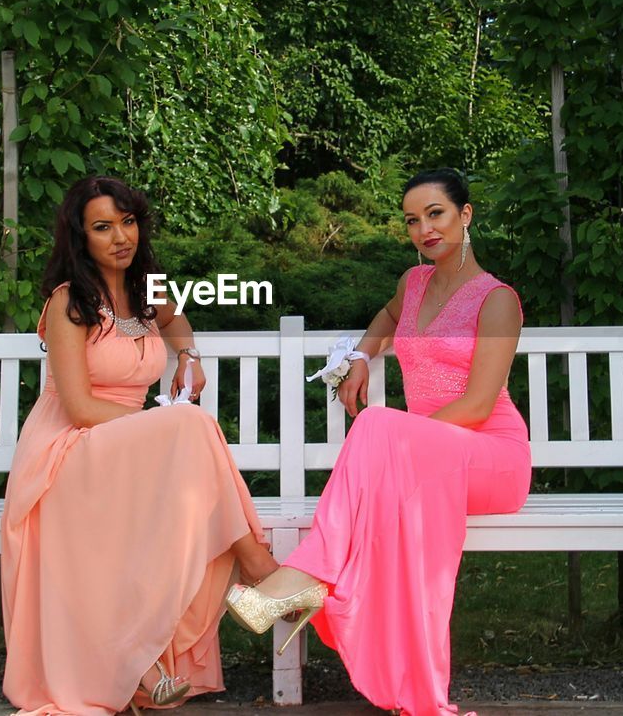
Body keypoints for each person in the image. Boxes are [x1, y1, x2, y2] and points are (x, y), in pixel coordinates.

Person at [225, 168, 532, 716]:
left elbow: (481, 405)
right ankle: (383, 657)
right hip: (425, 458)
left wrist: (402, 442)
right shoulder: (413, 285)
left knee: (375, 424)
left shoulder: (497, 300)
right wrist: (363, 356)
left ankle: (301, 576)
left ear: (465, 215)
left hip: (490, 457)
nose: (424, 229)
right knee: (380, 435)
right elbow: (389, 318)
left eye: (436, 214)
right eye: (413, 220)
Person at [0, 175, 278, 716]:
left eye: (127, 222)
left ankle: (143, 664)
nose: (120, 237)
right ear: (81, 238)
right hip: (70, 448)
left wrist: (189, 357)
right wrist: (156, 430)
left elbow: (176, 322)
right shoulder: (69, 302)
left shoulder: (146, 290)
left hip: (128, 451)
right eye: (103, 227)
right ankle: (258, 568)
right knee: (190, 427)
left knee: (186, 439)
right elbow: (78, 407)